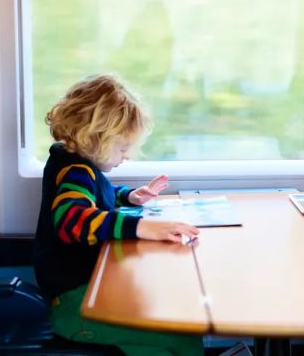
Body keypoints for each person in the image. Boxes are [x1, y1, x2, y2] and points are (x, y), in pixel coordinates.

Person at [33, 74, 203, 356]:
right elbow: (72, 221)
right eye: (122, 147)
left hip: (86, 293)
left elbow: (96, 193)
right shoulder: (74, 171)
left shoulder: (78, 167)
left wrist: (127, 196)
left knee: (181, 331)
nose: (127, 156)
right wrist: (143, 227)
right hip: (76, 307)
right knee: (181, 338)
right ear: (95, 138)